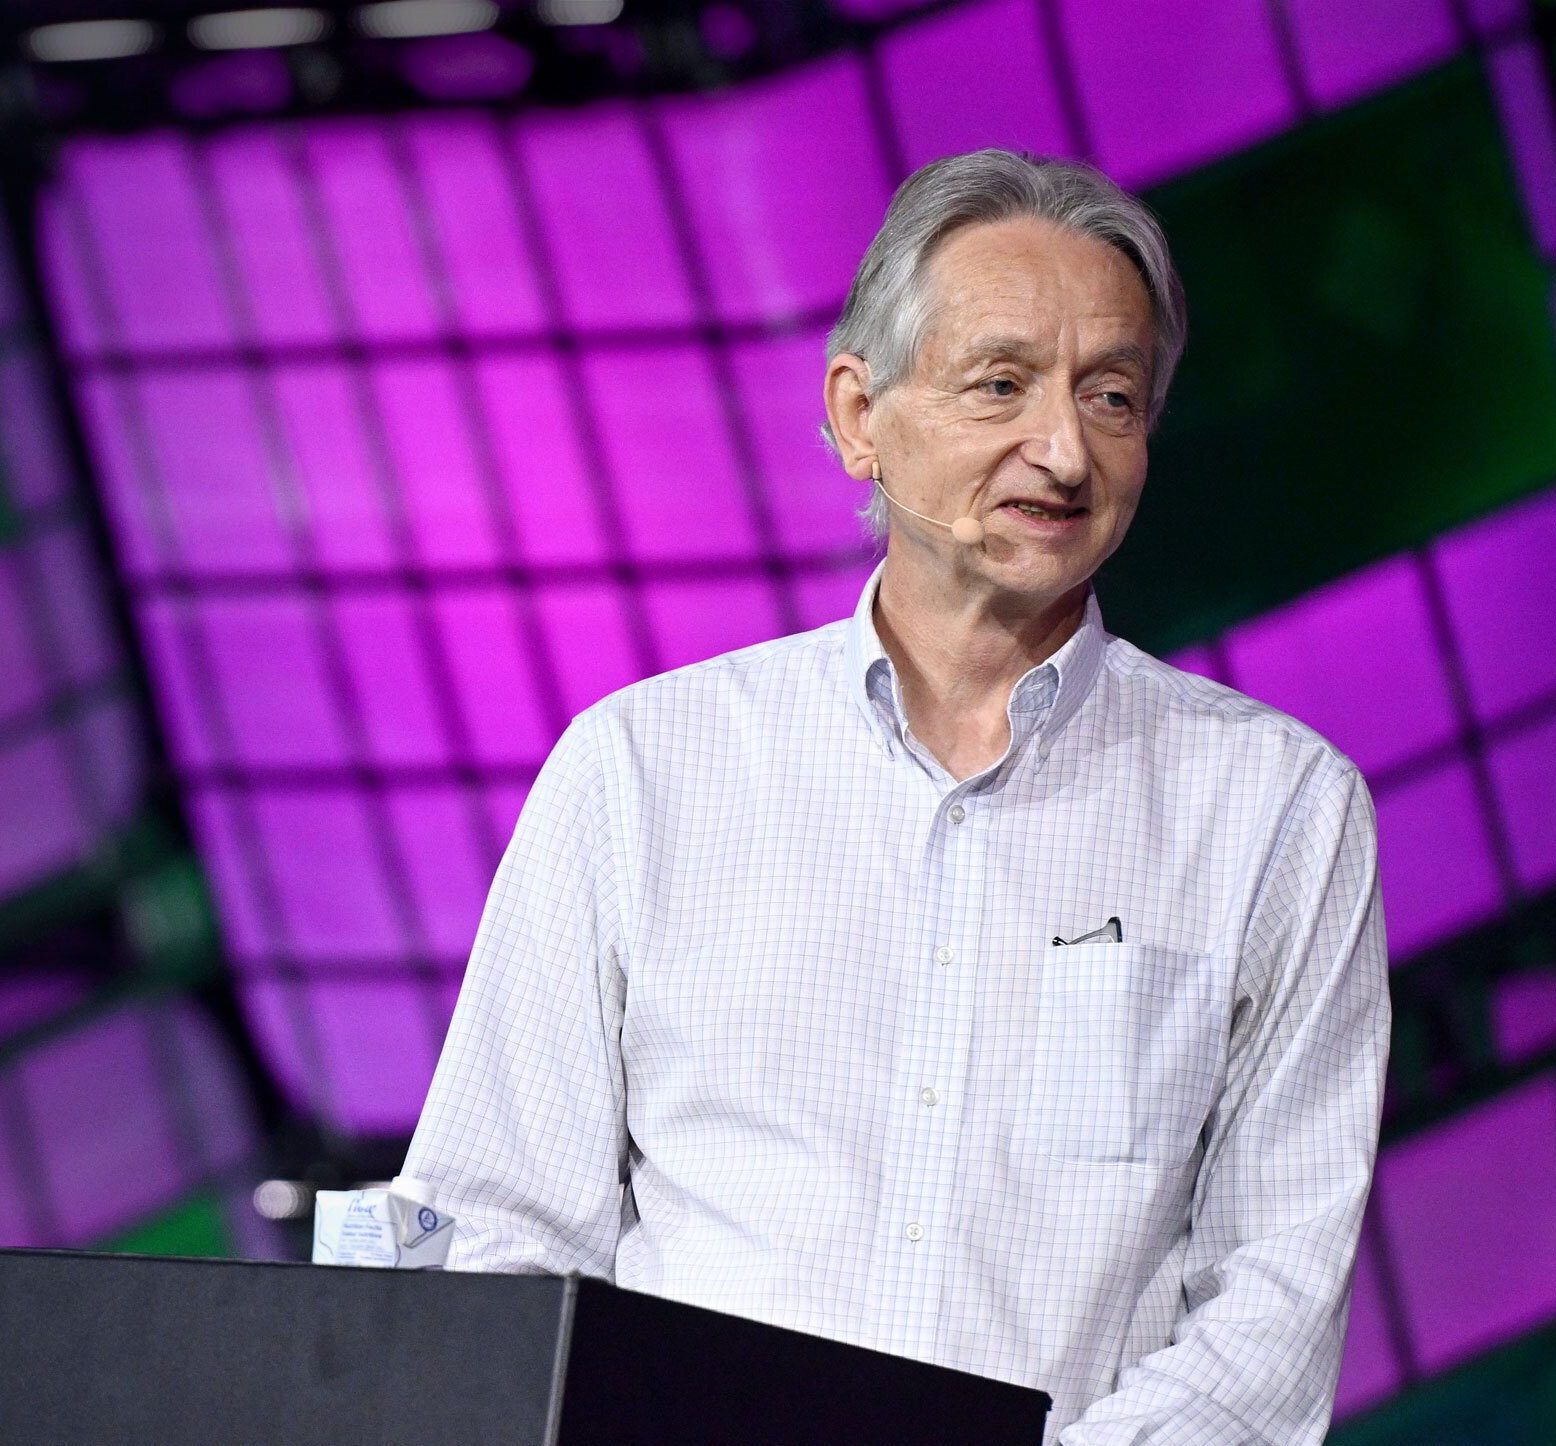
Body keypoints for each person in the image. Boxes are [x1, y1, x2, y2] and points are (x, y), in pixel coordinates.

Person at [400, 149, 1390, 1445]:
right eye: (1002, 384)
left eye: (1113, 396)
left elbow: (1269, 1310)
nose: (1063, 449)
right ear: (861, 414)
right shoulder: (641, 769)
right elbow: (488, 1229)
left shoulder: (1277, 813)